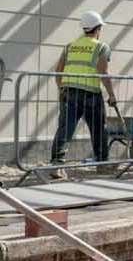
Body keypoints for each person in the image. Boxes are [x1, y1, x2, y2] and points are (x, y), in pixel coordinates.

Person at [51, 10, 120, 174]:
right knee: (99, 130)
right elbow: (103, 72)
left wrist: (62, 89)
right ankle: (102, 164)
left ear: (84, 28)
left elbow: (58, 71)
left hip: (69, 93)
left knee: (65, 129)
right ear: (97, 29)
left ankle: (56, 166)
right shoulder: (101, 47)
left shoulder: (70, 46)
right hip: (91, 94)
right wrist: (111, 95)